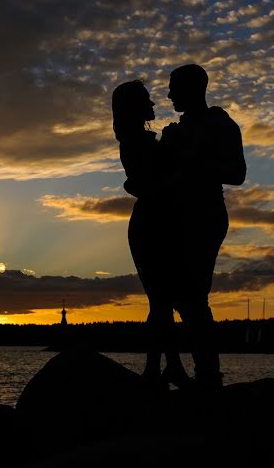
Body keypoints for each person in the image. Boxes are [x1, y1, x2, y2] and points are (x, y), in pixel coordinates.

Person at [160, 63, 247, 390]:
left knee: (192, 295)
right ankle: (184, 368)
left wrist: (191, 158)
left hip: (205, 216)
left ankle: (209, 374)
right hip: (175, 219)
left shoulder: (220, 124)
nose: (168, 94)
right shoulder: (176, 130)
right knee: (173, 296)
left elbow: (237, 173)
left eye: (173, 87)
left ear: (193, 88)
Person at [112, 80, 190, 389]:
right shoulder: (135, 142)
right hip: (151, 224)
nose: (154, 105)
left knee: (161, 300)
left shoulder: (141, 139)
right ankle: (161, 367)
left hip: (159, 221)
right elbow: (148, 183)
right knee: (160, 300)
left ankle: (162, 367)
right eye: (147, 100)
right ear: (133, 106)